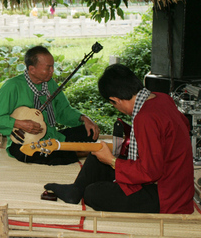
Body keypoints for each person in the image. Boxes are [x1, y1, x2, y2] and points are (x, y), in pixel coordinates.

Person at [44, 64, 194, 214]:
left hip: (166, 194)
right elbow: (182, 127)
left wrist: (112, 161)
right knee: (96, 155)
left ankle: (83, 190)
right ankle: (75, 190)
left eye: (113, 104)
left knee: (93, 193)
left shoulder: (145, 118)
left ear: (115, 100)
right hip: (174, 179)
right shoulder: (162, 98)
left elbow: (150, 172)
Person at [0, 46, 99, 165]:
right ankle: (80, 152)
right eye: (48, 67)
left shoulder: (50, 84)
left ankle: (68, 150)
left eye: (53, 66)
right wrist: (20, 124)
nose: (52, 70)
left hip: (52, 136)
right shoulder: (12, 86)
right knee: (30, 154)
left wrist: (84, 118)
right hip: (26, 141)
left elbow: (63, 111)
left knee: (90, 132)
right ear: (32, 69)